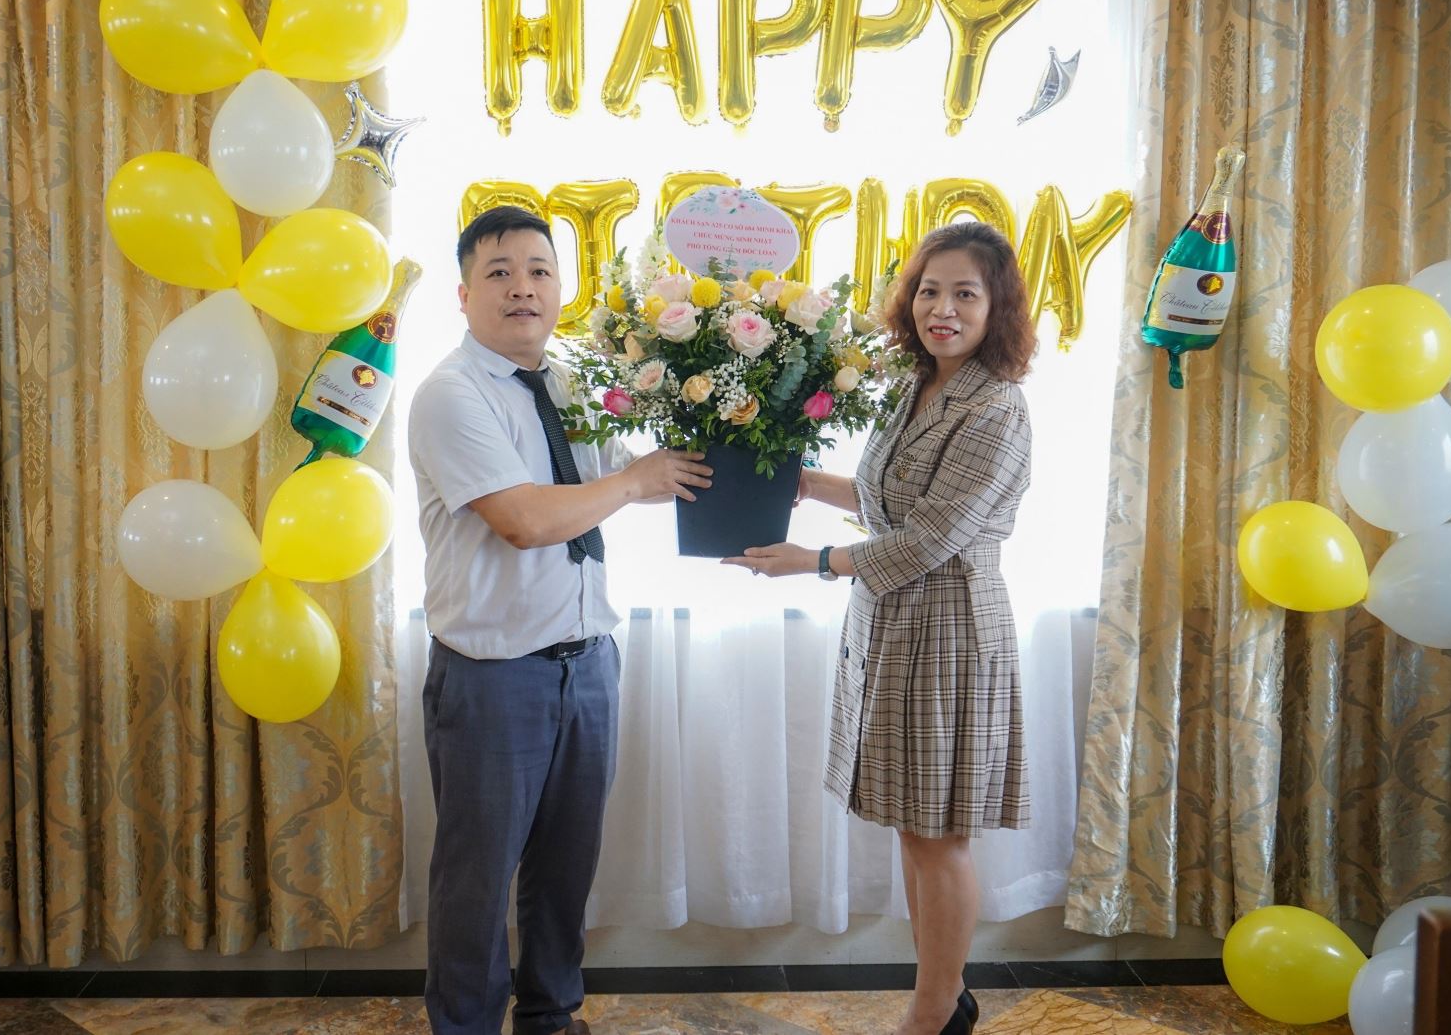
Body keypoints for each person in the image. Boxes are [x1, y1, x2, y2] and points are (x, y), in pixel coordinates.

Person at [724, 222, 1035, 1035]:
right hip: (889, 623)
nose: (942, 309)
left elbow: (932, 537)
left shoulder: (997, 406)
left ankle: (934, 1012)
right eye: (930, 291)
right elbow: (886, 499)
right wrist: (797, 480)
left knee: (940, 836)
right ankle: (944, 995)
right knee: (912, 823)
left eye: (964, 294)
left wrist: (813, 562)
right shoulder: (916, 383)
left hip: (951, 628)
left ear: (997, 307)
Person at [409, 205, 711, 1035]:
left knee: (565, 865)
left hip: (589, 662)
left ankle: (549, 1016)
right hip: (493, 675)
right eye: (500, 272)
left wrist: (732, 428)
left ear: (559, 288)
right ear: (464, 293)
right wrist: (635, 479)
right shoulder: (450, 395)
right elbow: (525, 519)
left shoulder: (570, 381)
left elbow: (629, 473)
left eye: (539, 271)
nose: (523, 288)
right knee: (476, 877)